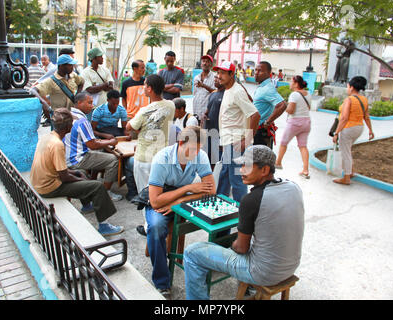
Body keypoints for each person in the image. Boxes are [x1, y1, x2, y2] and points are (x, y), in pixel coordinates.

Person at [183, 145, 305, 300]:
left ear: (264, 170)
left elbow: (241, 248)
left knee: (192, 252)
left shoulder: (252, 200)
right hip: (290, 266)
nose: (241, 170)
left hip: (261, 272)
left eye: (247, 166)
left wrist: (232, 245)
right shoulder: (294, 187)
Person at [30, 108, 124, 236]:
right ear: (68, 127)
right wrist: (83, 181)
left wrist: (78, 176)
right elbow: (64, 177)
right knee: (97, 186)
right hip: (50, 187)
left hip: (42, 182)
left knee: (81, 173)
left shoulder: (47, 137)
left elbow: (59, 169)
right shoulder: (57, 145)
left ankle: (87, 206)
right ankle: (104, 225)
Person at [146, 126, 215, 298]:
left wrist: (180, 200)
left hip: (183, 198)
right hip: (161, 197)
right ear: (180, 143)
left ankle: (216, 265)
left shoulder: (200, 155)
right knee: (155, 227)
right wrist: (189, 188)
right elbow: (155, 201)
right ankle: (162, 282)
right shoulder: (162, 159)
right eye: (190, 149)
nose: (194, 154)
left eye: (198, 149)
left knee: (215, 219)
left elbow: (211, 190)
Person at [126, 74, 175, 236]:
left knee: (145, 194)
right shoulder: (170, 105)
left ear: (150, 89)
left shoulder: (144, 111)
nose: (143, 88)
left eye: (145, 85)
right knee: (159, 193)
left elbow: (129, 126)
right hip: (162, 158)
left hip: (144, 159)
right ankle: (158, 224)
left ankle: (149, 227)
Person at [214, 61, 260, 204]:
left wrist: (246, 140)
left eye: (223, 73)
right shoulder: (229, 89)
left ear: (231, 74)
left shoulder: (237, 91)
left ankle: (242, 213)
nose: (219, 76)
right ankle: (219, 206)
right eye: (218, 72)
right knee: (224, 176)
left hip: (235, 143)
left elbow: (255, 115)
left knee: (237, 181)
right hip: (228, 142)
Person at [64, 92, 123, 202]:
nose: (92, 106)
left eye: (92, 103)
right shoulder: (82, 120)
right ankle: (105, 193)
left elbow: (91, 141)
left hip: (67, 156)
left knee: (101, 152)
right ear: (79, 102)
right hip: (77, 159)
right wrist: (110, 141)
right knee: (114, 160)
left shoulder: (68, 114)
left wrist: (104, 141)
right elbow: (92, 145)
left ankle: (94, 182)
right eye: (89, 103)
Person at [332, 76, 374, 185]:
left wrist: (336, 132)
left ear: (351, 87)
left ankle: (346, 178)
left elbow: (344, 118)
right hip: (359, 128)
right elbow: (366, 116)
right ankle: (350, 172)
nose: (347, 89)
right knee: (348, 150)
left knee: (345, 152)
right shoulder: (364, 99)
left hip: (348, 128)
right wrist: (370, 130)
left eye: (347, 86)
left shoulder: (349, 99)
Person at [275, 76, 312, 178]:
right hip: (306, 122)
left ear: (296, 84)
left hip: (295, 122)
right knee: (303, 146)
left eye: (291, 82)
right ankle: (305, 169)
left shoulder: (294, 95)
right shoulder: (308, 94)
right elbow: (308, 108)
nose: (290, 84)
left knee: (283, 142)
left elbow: (291, 110)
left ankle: (278, 162)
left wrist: (285, 106)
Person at [30, 54, 84, 124]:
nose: (72, 67)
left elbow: (81, 82)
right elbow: (33, 90)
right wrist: (44, 103)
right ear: (62, 66)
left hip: (72, 117)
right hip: (59, 120)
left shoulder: (73, 75)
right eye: (70, 65)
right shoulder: (51, 81)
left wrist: (77, 95)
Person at [253, 61, 287, 147]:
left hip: (260, 133)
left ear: (269, 73)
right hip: (254, 130)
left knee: (259, 159)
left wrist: (267, 123)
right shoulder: (262, 86)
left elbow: (282, 105)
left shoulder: (268, 88)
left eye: (260, 71)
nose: (256, 73)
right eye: (255, 70)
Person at [203, 74, 225, 170]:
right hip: (208, 130)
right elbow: (208, 110)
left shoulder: (226, 95)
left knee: (216, 160)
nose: (216, 79)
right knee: (207, 157)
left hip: (219, 133)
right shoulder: (213, 94)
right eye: (215, 77)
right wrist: (205, 115)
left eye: (218, 77)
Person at [192, 55, 216, 119]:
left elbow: (215, 92)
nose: (205, 63)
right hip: (196, 109)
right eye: (203, 61)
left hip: (207, 110)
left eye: (207, 62)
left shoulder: (215, 77)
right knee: (197, 128)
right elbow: (195, 93)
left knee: (206, 129)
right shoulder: (197, 77)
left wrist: (203, 86)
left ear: (211, 65)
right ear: (201, 64)